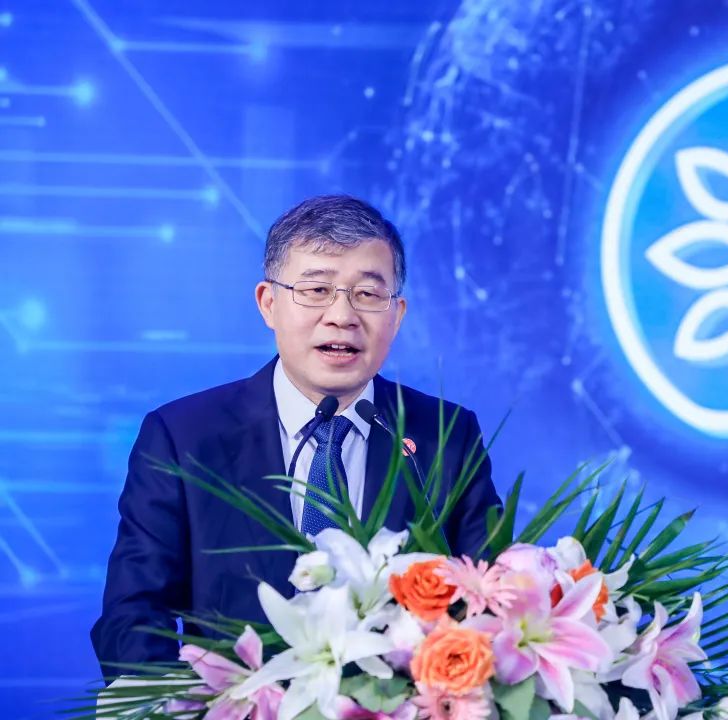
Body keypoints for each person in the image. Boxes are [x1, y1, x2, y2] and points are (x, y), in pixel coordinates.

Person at [90, 195, 501, 678]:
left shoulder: (444, 436)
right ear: (269, 304)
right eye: (316, 289)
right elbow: (133, 618)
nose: (342, 315)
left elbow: (492, 598)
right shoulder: (183, 438)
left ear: (397, 313)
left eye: (368, 294)